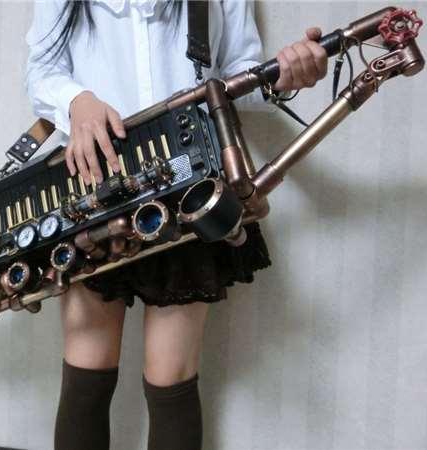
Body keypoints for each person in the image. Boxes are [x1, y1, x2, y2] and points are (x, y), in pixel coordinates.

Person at [25, 1, 327, 449]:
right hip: (92, 189)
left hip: (190, 189)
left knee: (172, 381)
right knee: (87, 374)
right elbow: (41, 69)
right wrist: (76, 101)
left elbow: (235, 77)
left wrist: (283, 76)